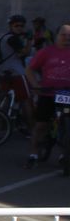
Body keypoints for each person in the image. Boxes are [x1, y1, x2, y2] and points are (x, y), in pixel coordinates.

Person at [26, 23, 70, 166]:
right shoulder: (46, 52)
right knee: (41, 125)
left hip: (66, 94)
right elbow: (29, 70)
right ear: (56, 36)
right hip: (48, 93)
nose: (67, 38)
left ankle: (65, 155)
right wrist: (36, 85)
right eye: (63, 35)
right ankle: (33, 153)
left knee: (67, 123)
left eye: (69, 36)